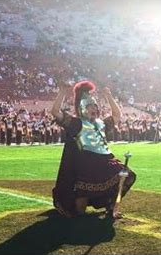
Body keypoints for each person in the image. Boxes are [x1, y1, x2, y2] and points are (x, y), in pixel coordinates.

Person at [51, 81, 136, 219]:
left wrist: (108, 96)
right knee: (80, 211)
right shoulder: (77, 123)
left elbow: (117, 115)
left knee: (127, 176)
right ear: (83, 108)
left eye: (95, 106)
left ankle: (111, 206)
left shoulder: (101, 123)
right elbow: (55, 112)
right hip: (87, 164)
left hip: (106, 160)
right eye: (91, 106)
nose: (94, 109)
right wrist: (62, 93)